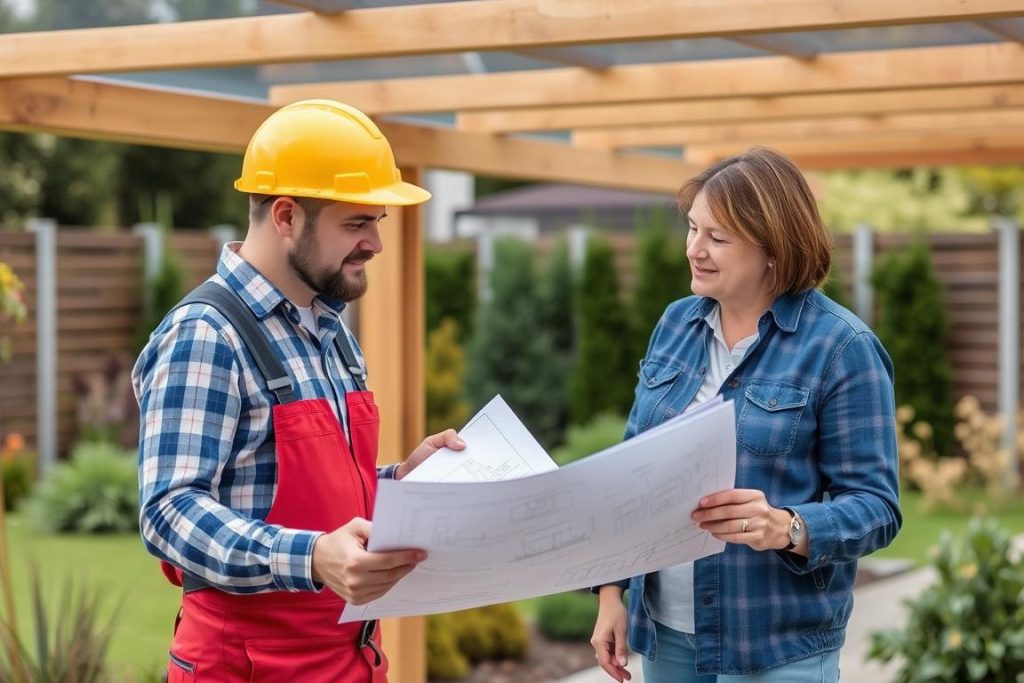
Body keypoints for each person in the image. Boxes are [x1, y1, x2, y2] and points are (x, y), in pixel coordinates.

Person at [133, 99, 465, 683]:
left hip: (348, 659)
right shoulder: (206, 334)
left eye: (376, 224)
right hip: (248, 665)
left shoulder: (329, 329)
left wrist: (402, 482)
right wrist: (311, 557)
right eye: (356, 223)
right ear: (286, 216)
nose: (375, 245)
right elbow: (169, 513)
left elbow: (311, 490)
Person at [591, 147, 901, 683]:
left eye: (718, 237)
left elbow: (877, 508)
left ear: (774, 250)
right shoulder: (675, 325)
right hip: (665, 636)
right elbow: (632, 470)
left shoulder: (841, 347)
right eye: (692, 229)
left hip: (776, 649)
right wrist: (611, 593)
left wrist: (787, 526)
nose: (695, 249)